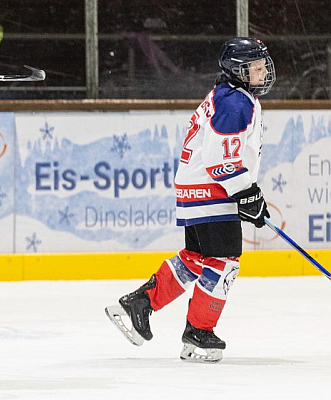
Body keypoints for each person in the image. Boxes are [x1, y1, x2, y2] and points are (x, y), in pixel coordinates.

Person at [105, 37, 275, 363]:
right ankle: (198, 333)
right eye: (256, 66)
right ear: (239, 71)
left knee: (196, 257)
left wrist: (246, 192)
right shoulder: (236, 103)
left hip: (196, 187)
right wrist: (246, 191)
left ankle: (138, 303)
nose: (263, 71)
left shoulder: (228, 95)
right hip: (213, 189)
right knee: (223, 261)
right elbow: (219, 158)